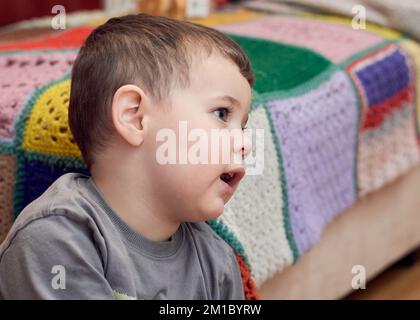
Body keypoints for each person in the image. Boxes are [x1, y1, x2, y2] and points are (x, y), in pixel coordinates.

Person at [0, 13, 254, 299]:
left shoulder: (216, 261)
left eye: (243, 126)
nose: (245, 143)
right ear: (134, 116)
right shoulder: (56, 238)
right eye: (221, 113)